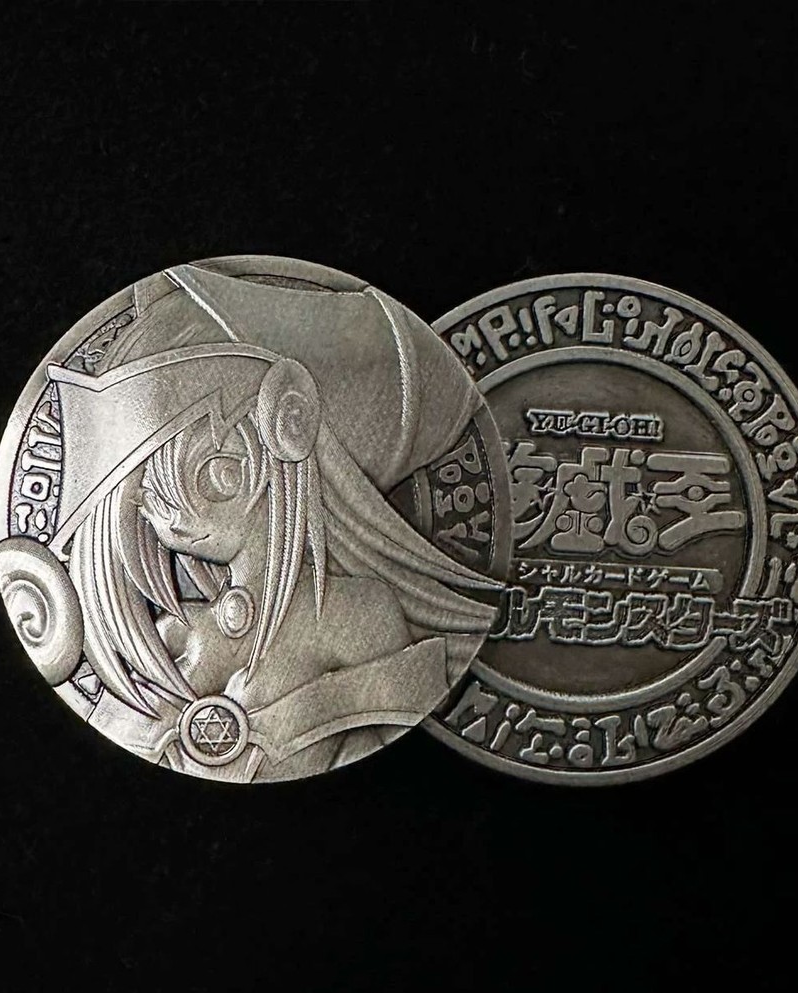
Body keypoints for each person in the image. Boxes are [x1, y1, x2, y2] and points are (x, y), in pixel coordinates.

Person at [45, 264, 501, 781]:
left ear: (258, 454)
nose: (153, 513)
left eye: (185, 473)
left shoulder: (362, 616)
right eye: (143, 493)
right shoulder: (175, 631)